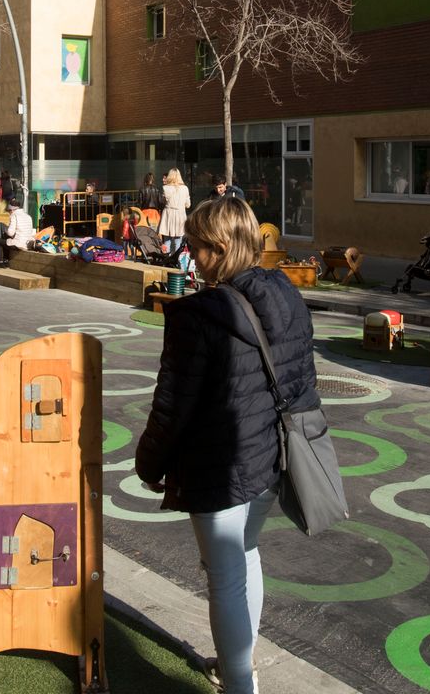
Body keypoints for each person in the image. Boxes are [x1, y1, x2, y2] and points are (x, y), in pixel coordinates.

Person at [135, 197, 318, 694]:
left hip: (219, 465)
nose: (189, 257)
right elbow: (303, 377)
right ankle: (239, 668)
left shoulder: (197, 315)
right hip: (275, 455)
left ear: (218, 249)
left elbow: (173, 404)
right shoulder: (286, 294)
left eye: (194, 247)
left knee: (225, 576)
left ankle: (239, 683)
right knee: (245, 556)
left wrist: (150, 463)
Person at [0, 197, 36, 267]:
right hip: (28, 243)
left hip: (19, 244)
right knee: (7, 241)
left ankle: (0, 262)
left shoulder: (14, 215)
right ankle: (6, 261)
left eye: (9, 211)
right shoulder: (28, 216)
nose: (9, 213)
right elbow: (30, 231)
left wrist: (5, 230)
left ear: (12, 210)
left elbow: (10, 233)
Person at [159, 168, 191, 255]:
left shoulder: (165, 188)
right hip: (180, 216)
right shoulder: (185, 188)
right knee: (178, 241)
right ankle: (177, 260)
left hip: (168, 216)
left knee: (167, 240)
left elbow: (163, 202)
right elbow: (188, 205)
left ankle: (166, 258)